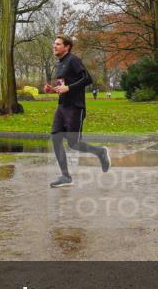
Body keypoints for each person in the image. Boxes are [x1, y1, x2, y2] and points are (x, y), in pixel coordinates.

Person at [44, 35, 110, 188]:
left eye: (58, 44)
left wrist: (69, 88)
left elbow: (87, 79)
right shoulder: (59, 64)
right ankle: (66, 176)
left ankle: (100, 152)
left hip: (75, 107)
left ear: (67, 47)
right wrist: (53, 89)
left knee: (73, 143)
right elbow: (63, 87)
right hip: (62, 106)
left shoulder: (73, 60)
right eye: (54, 44)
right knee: (55, 138)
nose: (54, 46)